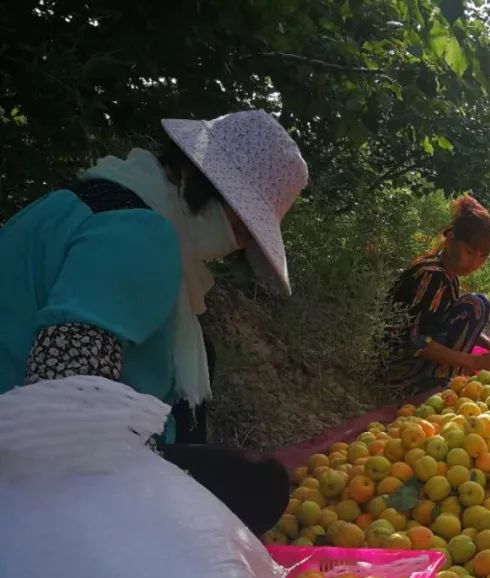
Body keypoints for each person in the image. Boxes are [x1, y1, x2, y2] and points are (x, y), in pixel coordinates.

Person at [0, 109, 308, 534]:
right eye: (242, 231)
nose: (236, 246)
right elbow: (65, 393)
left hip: (32, 451)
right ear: (218, 200)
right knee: (260, 486)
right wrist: (157, 478)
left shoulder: (94, 200)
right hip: (26, 475)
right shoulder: (141, 235)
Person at [385, 195, 490, 392]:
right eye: (468, 252)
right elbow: (414, 341)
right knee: (476, 304)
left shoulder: (448, 276)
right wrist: (475, 362)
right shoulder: (431, 276)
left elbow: (455, 324)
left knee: (477, 306)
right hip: (396, 369)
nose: (474, 262)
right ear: (450, 240)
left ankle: (444, 374)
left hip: (410, 361)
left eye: (482, 257)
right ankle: (434, 381)